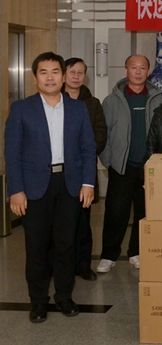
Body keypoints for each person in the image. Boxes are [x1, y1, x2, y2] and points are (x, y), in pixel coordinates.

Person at [5, 52, 96, 323]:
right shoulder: (22, 109)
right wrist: (16, 190)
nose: (50, 77)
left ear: (63, 76)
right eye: (43, 72)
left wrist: (88, 183)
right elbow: (12, 153)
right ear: (35, 78)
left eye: (55, 71)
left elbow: (88, 148)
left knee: (66, 244)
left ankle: (64, 296)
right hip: (34, 187)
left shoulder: (78, 108)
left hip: (69, 184)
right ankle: (38, 301)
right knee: (36, 246)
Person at [98, 54, 162, 273]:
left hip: (149, 168)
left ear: (148, 72)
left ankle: (136, 252)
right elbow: (104, 134)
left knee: (144, 213)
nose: (138, 71)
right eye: (133, 67)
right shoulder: (112, 100)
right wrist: (109, 161)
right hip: (121, 167)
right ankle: (108, 255)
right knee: (116, 213)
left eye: (142, 67)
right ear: (126, 71)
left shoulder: (157, 99)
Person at [62, 57, 107, 282]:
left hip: (83, 170)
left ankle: (83, 265)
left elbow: (100, 133)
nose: (76, 76)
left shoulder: (93, 103)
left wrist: (82, 155)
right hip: (58, 171)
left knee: (82, 223)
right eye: (72, 72)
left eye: (80, 72)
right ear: (64, 75)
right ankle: (60, 266)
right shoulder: (54, 100)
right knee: (59, 224)